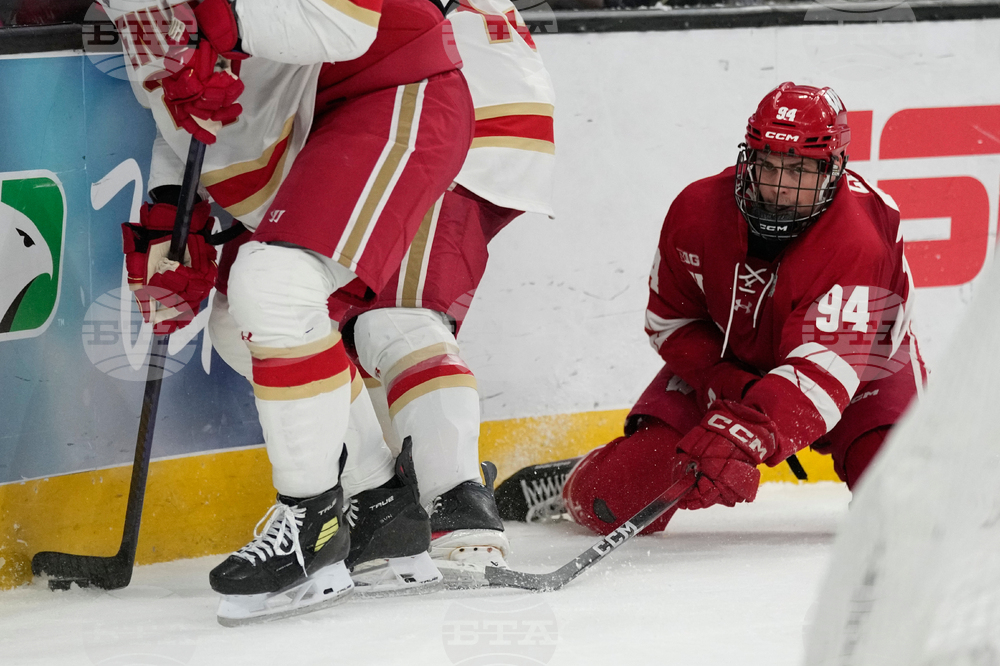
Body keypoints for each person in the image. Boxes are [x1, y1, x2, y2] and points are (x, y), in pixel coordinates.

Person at [104, 0, 473, 623]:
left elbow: (348, 18)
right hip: (310, 127)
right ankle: (378, 507)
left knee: (272, 284)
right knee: (236, 323)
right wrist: (174, 211)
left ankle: (311, 524)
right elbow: (179, 97)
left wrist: (230, 19)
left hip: (385, 89)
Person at [496, 82, 924, 536]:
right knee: (614, 499)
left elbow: (823, 375)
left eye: (798, 169)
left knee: (905, 515)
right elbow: (669, 322)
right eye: (768, 164)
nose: (779, 187)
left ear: (833, 168)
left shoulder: (859, 240)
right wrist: (728, 384)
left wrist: (745, 433)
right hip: (733, 360)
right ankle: (572, 478)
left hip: (863, 371)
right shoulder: (698, 211)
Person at [328, 0, 556, 567]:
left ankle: (456, 499)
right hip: (458, 98)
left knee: (394, 317)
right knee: (350, 314)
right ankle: (401, 500)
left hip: (445, 108)